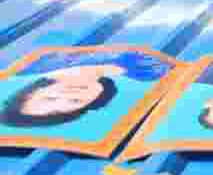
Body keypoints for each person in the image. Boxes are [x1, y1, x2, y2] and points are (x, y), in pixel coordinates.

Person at [0, 48, 172, 128]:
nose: (69, 94)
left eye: (49, 98)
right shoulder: (148, 73)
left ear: (32, 93)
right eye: (75, 101)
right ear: (95, 99)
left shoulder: (29, 67)